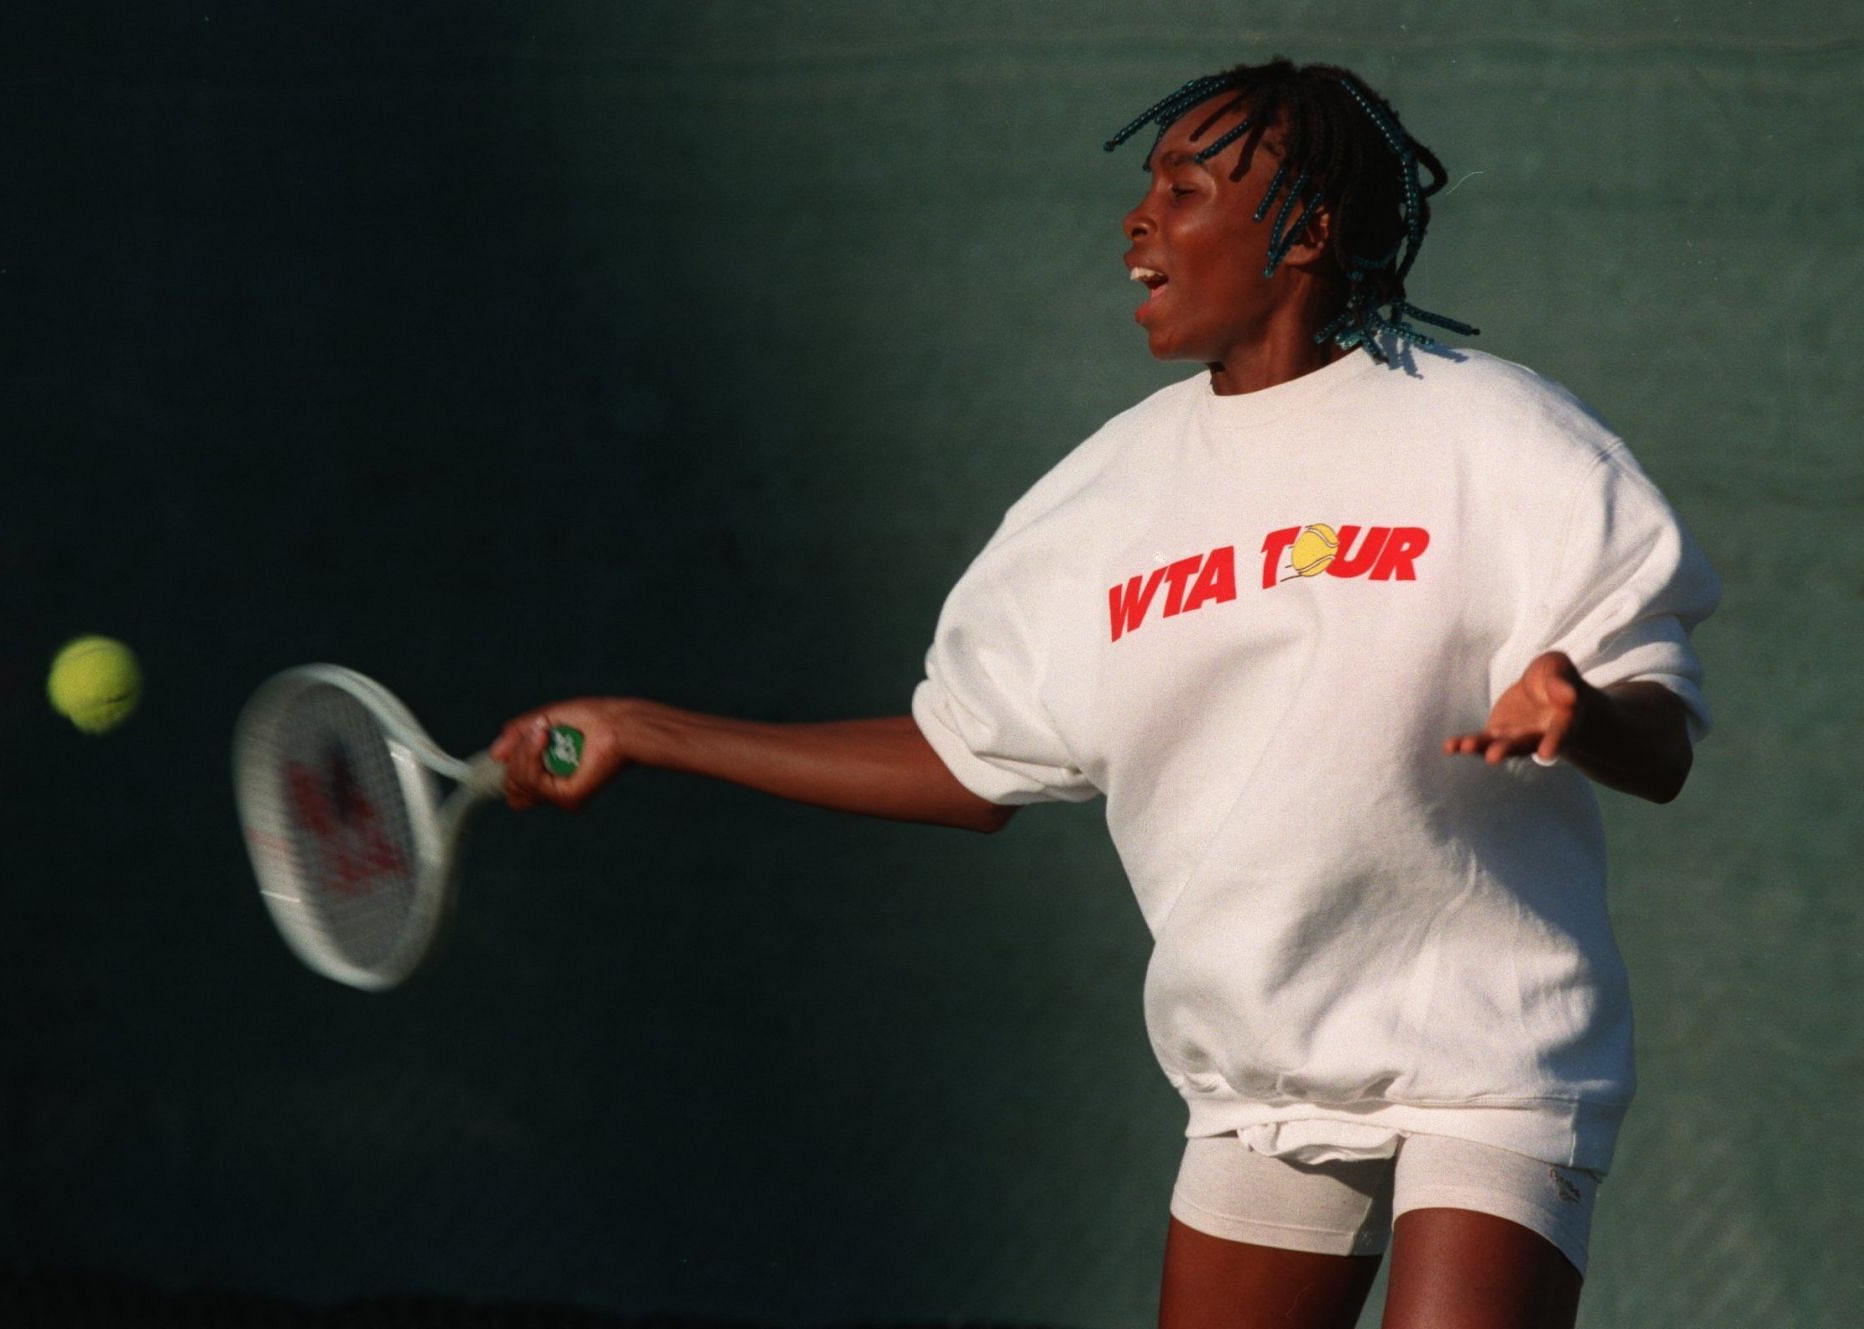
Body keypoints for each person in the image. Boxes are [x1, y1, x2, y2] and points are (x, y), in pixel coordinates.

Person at [490, 58, 1718, 1329]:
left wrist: (1585, 709)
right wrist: (648, 732)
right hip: (1258, 1070)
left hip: (1489, 1059)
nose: (1141, 220)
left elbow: (1663, 741)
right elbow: (963, 764)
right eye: (1147, 189)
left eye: (1187, 189)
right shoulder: (1101, 502)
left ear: (1307, 230)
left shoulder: (1504, 440)